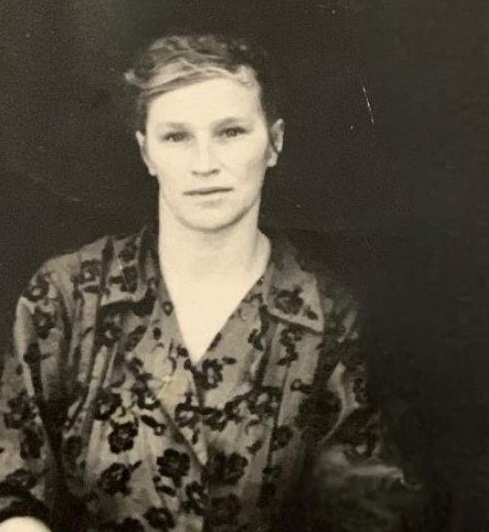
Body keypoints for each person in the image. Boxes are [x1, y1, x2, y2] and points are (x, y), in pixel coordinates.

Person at [0, 32, 425, 532]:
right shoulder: (69, 295)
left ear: (274, 142)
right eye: (176, 137)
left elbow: (367, 509)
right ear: (146, 152)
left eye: (231, 132)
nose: (204, 164)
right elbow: (11, 486)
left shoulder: (328, 318)